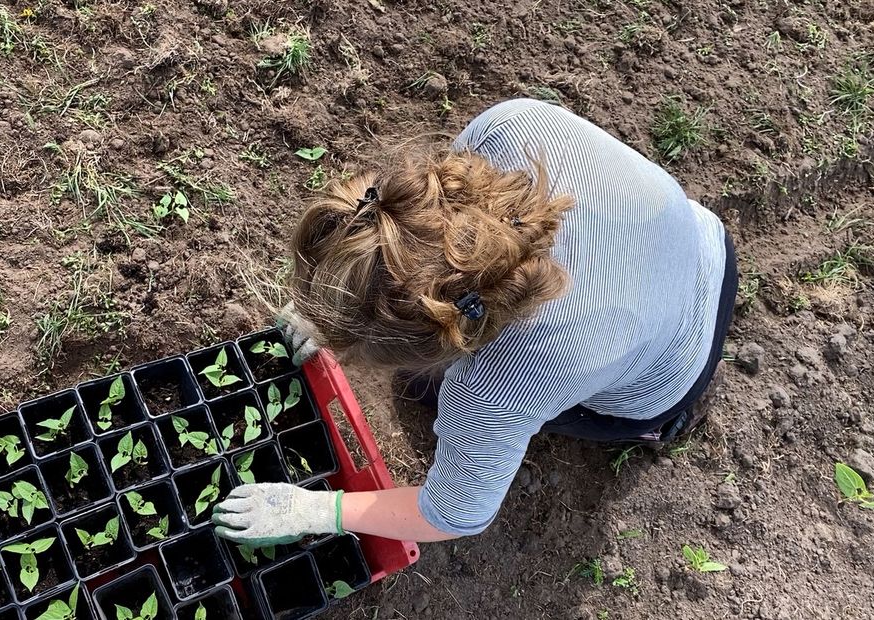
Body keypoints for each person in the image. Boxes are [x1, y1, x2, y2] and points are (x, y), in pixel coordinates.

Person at [211, 98, 738, 546]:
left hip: (673, 369)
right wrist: (333, 312)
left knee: (419, 391)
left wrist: (314, 512)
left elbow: (454, 515)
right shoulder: (511, 127)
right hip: (704, 244)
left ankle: (654, 426)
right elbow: (415, 252)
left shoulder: (499, 386)